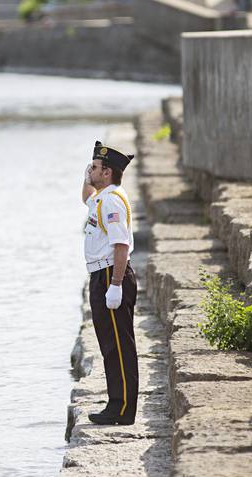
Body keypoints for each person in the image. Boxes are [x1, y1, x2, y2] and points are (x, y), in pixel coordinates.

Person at [81, 141, 138, 425]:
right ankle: (117, 404)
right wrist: (86, 176)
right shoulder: (102, 197)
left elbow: (121, 245)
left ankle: (123, 408)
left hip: (110, 276)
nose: (90, 170)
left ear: (107, 172)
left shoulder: (113, 201)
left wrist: (115, 285)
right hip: (100, 276)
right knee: (109, 345)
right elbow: (86, 197)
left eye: (95, 167)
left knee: (119, 346)